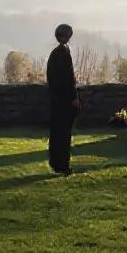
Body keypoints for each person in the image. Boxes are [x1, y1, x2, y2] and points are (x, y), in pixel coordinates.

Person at [46, 23, 81, 175]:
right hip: (64, 101)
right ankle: (62, 165)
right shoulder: (64, 54)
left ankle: (55, 163)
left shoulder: (55, 54)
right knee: (64, 134)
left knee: (56, 132)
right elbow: (68, 79)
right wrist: (74, 98)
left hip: (56, 100)